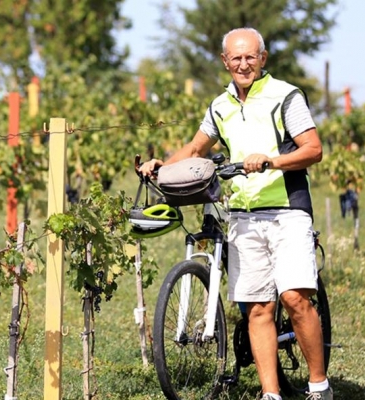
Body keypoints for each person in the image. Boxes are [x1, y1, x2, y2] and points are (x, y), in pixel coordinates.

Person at [139, 27, 331, 400]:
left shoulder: (285, 96)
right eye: (235, 58)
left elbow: (313, 149)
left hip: (288, 210)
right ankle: (271, 394)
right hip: (242, 215)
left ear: (263, 59)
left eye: (250, 56)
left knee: (294, 298)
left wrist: (272, 161)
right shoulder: (220, 105)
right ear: (225, 61)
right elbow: (196, 148)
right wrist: (162, 166)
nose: (243, 64)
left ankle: (319, 386)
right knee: (257, 308)